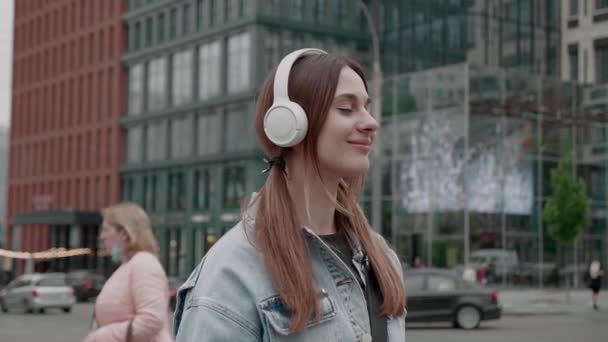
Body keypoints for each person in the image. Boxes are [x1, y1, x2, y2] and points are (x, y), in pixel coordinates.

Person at [174, 48, 406, 341]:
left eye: (366, 107)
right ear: (289, 124)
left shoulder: (382, 258)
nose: (371, 122)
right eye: (346, 109)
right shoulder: (232, 274)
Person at [84, 203, 172, 342]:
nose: (102, 237)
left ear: (124, 233)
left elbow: (152, 319)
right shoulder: (127, 267)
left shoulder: (144, 263)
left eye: (106, 230)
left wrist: (100, 337)